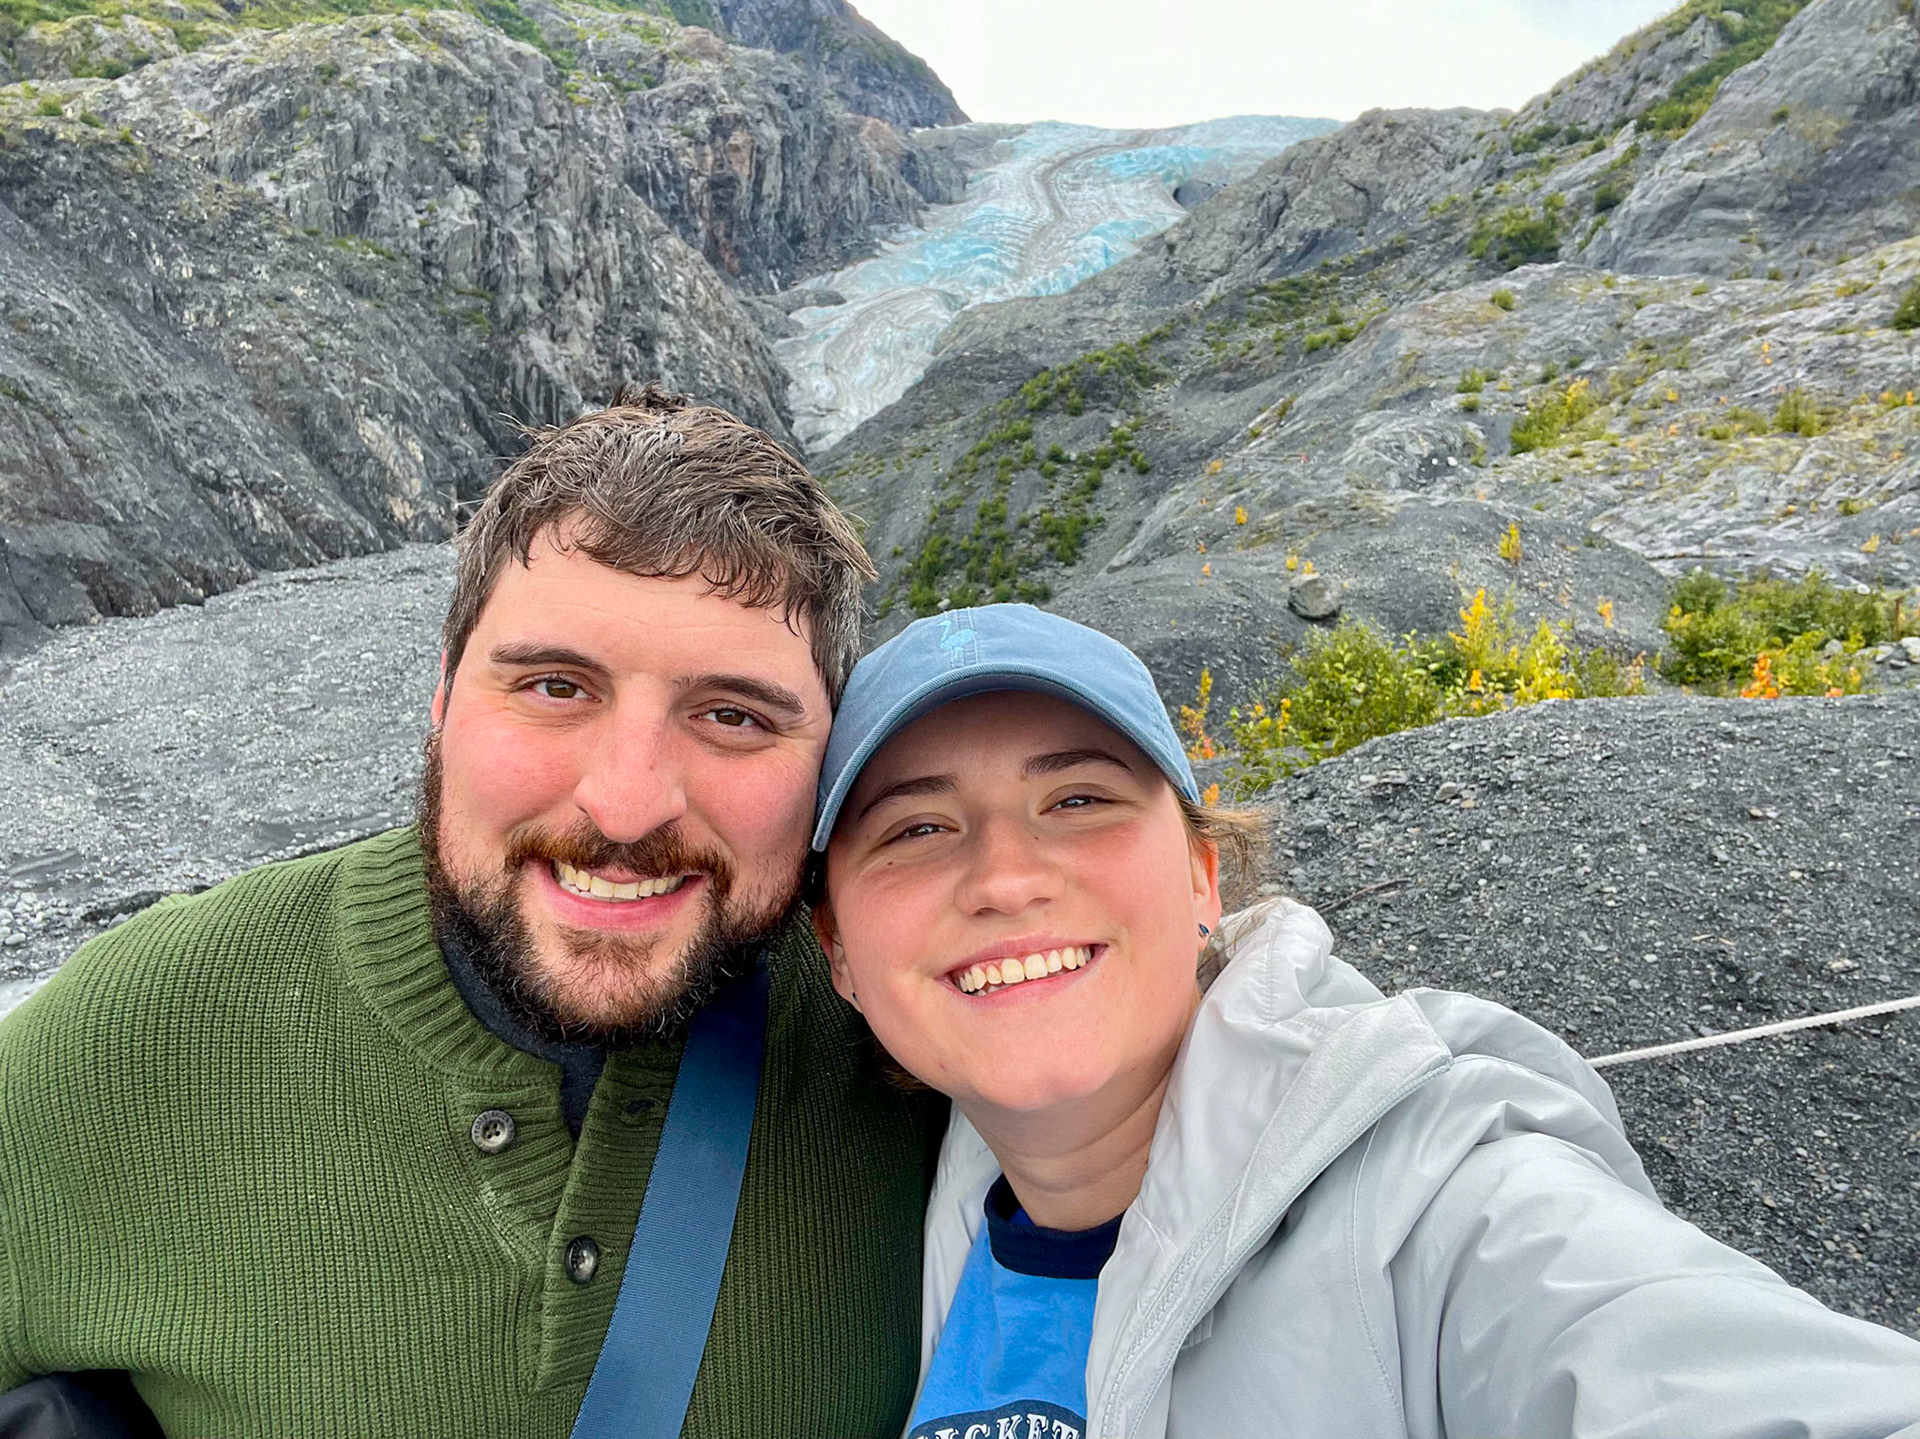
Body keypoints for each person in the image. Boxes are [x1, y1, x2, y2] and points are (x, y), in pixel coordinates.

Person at [0, 384, 943, 1435]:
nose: (626, 804)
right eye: (555, 687)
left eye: (731, 714)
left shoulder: (926, 1039)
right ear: (443, 700)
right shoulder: (126, 1039)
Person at [806, 602, 1920, 1439]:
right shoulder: (910, 1209)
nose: (1006, 876)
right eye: (916, 828)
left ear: (1201, 878)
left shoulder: (1440, 1208)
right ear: (839, 951)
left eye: (1079, 798)